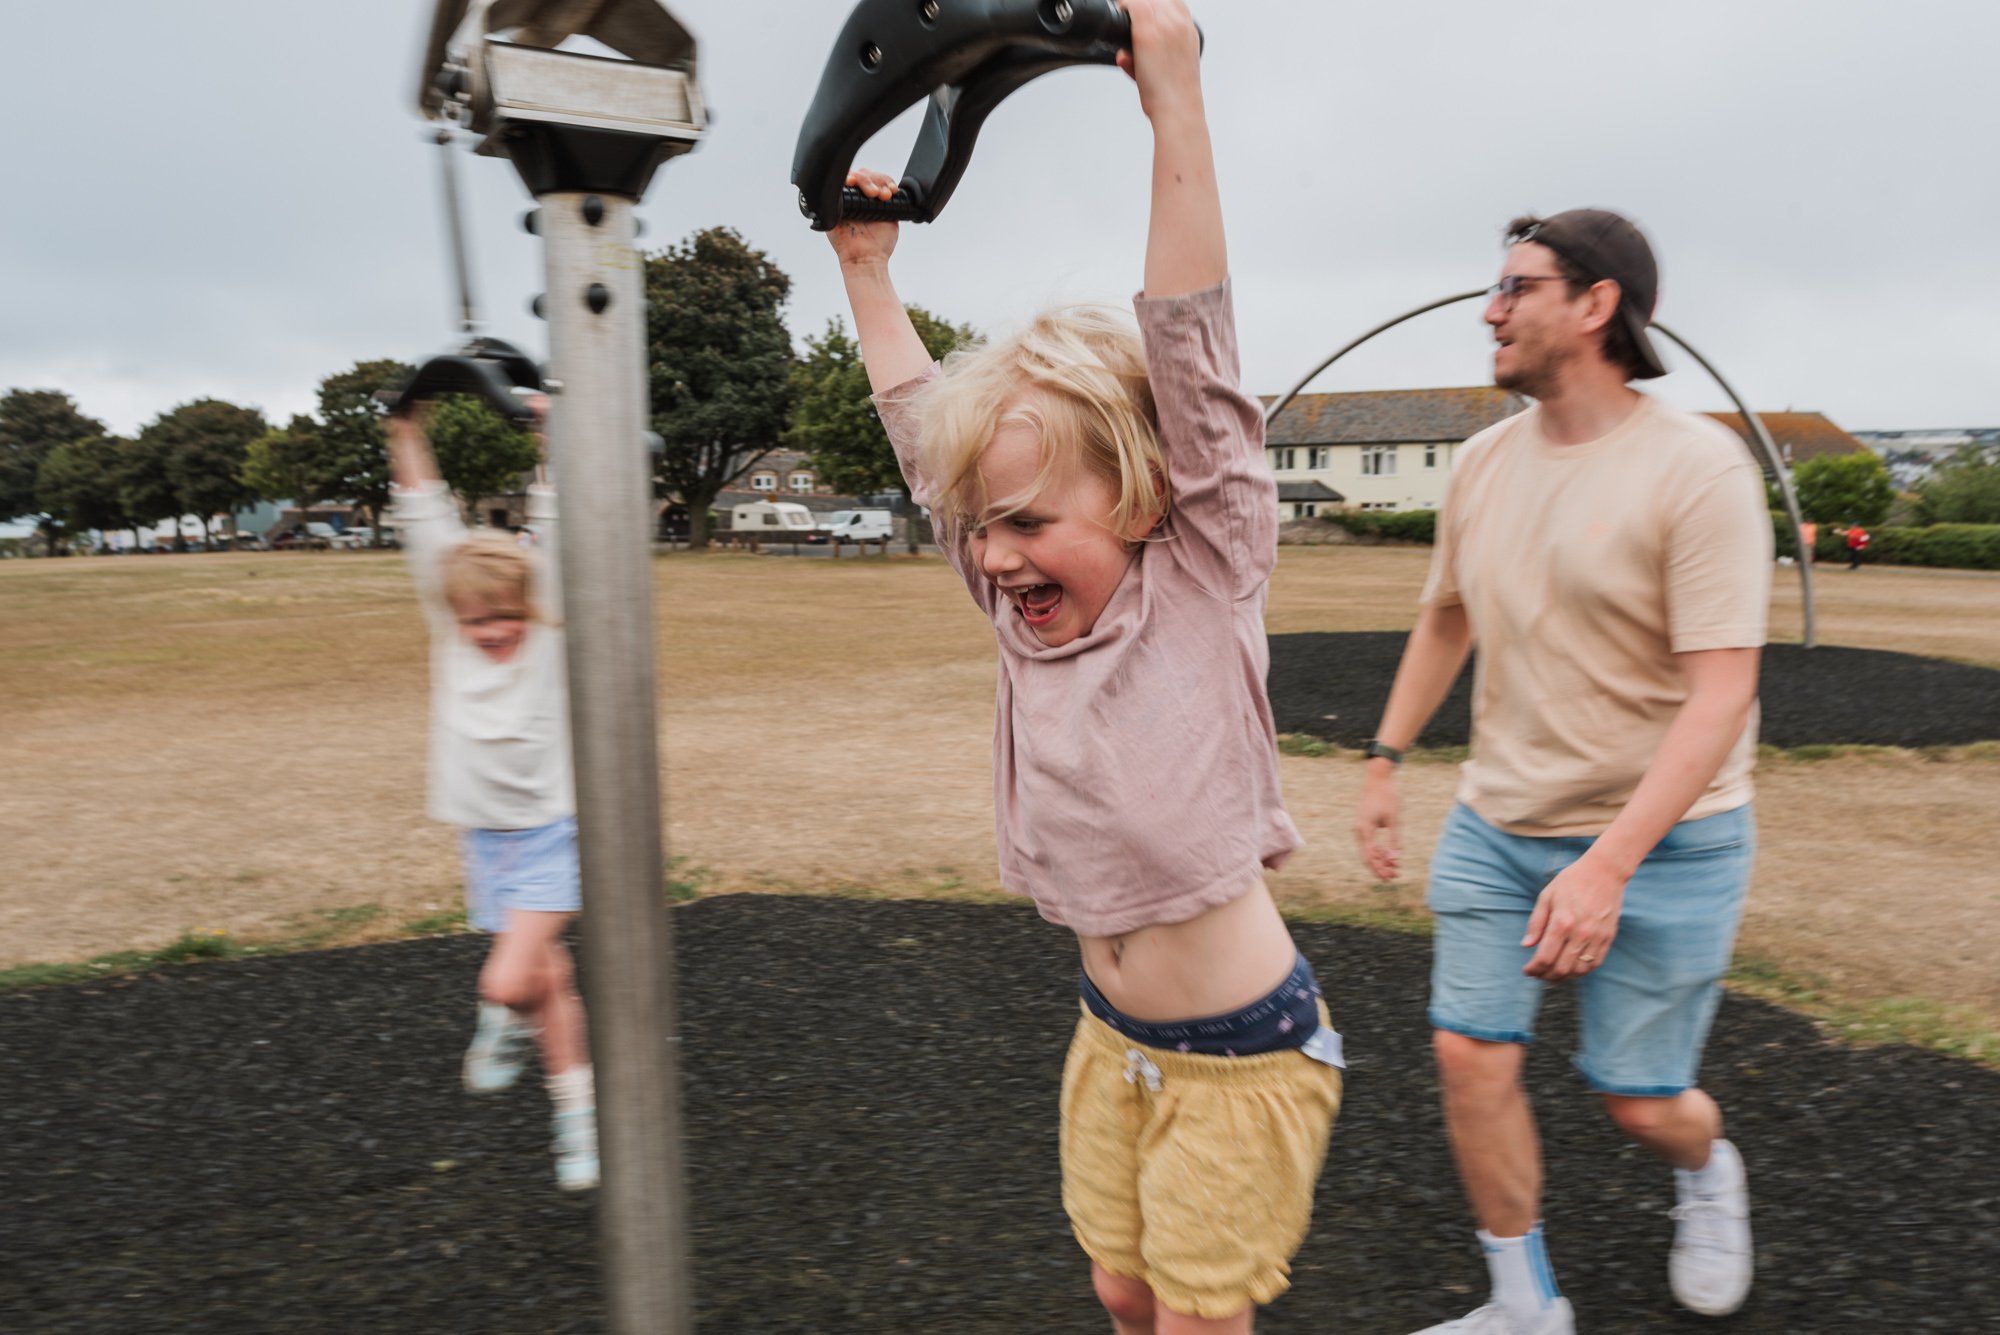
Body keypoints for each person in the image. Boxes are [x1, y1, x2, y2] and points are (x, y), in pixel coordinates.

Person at [826, 2, 1341, 1328]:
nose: (994, 557)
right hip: (1110, 1035)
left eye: (1027, 521)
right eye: (979, 529)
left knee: (1196, 1317)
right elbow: (921, 441)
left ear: (1142, 491)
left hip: (1240, 1056)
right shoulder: (1020, 609)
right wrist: (867, 270)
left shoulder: (1201, 574)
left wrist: (1173, 105)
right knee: (1119, 1287)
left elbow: (1192, 345)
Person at [1353, 210, 1771, 1333]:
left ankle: (1707, 1171)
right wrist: (1384, 760)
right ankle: (1524, 1306)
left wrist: (1608, 867)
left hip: (1669, 842)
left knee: (1640, 1101)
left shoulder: (1697, 470)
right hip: (1499, 823)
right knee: (1467, 1053)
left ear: (1595, 306)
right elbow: (1446, 617)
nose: (1488, 312)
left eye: (1515, 287)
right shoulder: (1482, 464)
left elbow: (1722, 695)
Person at [387, 401, 598, 1194]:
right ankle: (577, 1115)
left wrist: (552, 434)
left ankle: (496, 1018)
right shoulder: (452, 625)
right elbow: (424, 521)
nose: (495, 629)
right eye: (478, 619)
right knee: (548, 984)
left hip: (551, 827)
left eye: (508, 614)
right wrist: (406, 430)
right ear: (454, 614)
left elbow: (560, 519)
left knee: (508, 981)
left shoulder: (546, 625)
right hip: (484, 834)